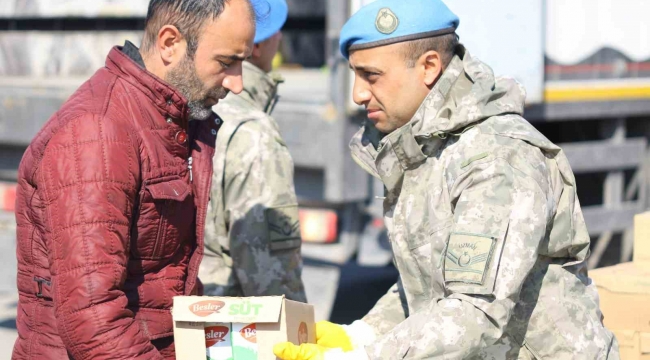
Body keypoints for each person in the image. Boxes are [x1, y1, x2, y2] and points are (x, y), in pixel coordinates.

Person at [273, 0, 620, 359]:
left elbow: (474, 310)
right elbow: (427, 288)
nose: (358, 93)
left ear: (429, 67)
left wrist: (364, 356)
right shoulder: (424, 150)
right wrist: (360, 334)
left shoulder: (497, 157)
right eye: (355, 75)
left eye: (371, 76)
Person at [12, 0, 255, 358]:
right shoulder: (97, 134)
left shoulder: (173, 120)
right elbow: (92, 317)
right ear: (170, 43)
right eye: (226, 62)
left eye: (242, 62)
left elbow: (167, 280)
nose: (237, 83)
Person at [201, 0, 307, 302]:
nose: (281, 40)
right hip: (230, 337)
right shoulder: (253, 132)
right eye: (278, 32)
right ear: (256, 46)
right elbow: (272, 279)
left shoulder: (188, 108)